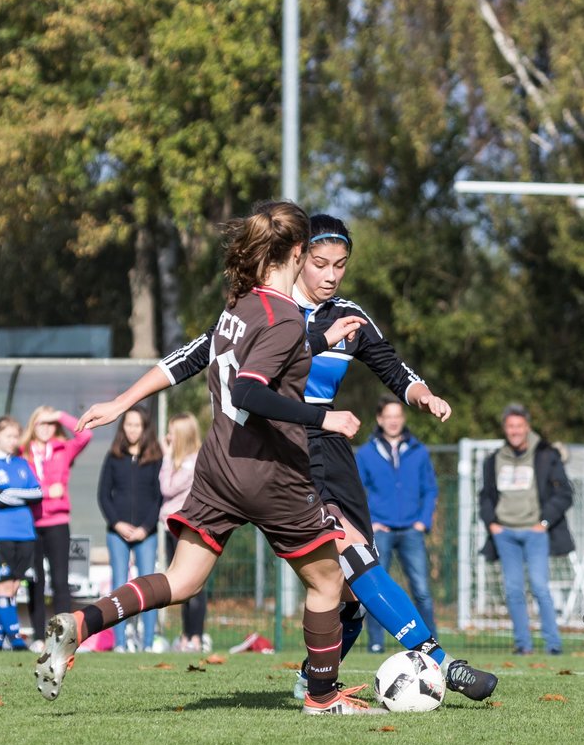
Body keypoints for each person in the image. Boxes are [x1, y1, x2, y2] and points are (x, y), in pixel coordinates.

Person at [74, 214, 497, 703]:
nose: (331, 275)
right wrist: (122, 402)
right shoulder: (263, 309)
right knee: (351, 558)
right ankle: (439, 664)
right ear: (297, 259)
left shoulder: (345, 313)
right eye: (319, 263)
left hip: (332, 450)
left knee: (351, 592)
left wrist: (422, 394)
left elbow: (392, 365)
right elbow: (192, 356)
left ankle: (313, 679)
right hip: (283, 446)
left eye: (340, 265)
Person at [39, 199, 376, 714]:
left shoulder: (239, 308)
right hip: (267, 473)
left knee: (181, 581)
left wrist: (121, 402)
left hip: (217, 467)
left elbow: (204, 360)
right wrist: (322, 418)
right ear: (296, 253)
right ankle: (324, 695)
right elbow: (249, 389)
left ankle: (83, 623)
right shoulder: (283, 317)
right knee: (329, 579)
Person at [479, 403, 572, 655]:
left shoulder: (545, 454)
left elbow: (565, 493)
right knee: (513, 590)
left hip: (535, 532)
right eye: (510, 426)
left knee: (540, 587)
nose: (515, 431)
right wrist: (492, 524)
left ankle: (553, 644)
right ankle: (523, 645)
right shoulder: (494, 459)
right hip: (505, 534)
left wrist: (543, 523)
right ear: (505, 429)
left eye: (519, 426)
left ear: (527, 427)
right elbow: (485, 496)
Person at [356, 395, 439, 653]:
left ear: (403, 419)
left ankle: (431, 644)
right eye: (388, 416)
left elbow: (430, 490)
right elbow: (356, 492)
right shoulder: (367, 453)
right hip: (381, 531)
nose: (393, 421)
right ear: (380, 419)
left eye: (397, 416)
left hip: (412, 531)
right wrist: (371, 524)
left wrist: (422, 523)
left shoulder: (419, 451)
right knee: (376, 589)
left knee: (422, 590)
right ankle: (376, 643)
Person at [22, 406, 92, 652]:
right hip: (30, 523)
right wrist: (44, 491)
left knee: (60, 582)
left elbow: (86, 435)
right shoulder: (23, 451)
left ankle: (63, 637)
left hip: (58, 523)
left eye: (50, 424)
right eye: (41, 423)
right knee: (36, 582)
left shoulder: (64, 448)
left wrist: (59, 415)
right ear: (32, 425)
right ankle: (38, 636)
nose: (46, 428)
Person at [95, 406, 162, 652]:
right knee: (119, 586)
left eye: (137, 425)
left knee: (149, 586)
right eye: (128, 424)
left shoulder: (156, 458)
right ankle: (120, 643)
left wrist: (145, 528)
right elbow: (103, 496)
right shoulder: (114, 457)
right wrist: (117, 523)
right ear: (122, 427)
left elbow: (159, 497)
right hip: (117, 533)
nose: (132, 429)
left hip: (147, 534)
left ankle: (147, 643)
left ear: (145, 429)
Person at [0, 416, 44, 650]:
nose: (13, 441)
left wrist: (11, 493)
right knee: (3, 585)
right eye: (9, 436)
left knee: (14, 586)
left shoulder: (21, 463)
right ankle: (15, 638)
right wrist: (19, 494)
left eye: (16, 436)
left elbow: (38, 492)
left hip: (25, 532)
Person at [159, 412, 208, 652]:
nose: (168, 437)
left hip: (187, 526)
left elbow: (167, 487)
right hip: (172, 525)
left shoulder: (192, 461)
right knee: (180, 583)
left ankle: (196, 636)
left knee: (193, 582)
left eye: (172, 432)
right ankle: (187, 635)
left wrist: (167, 457)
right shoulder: (182, 460)